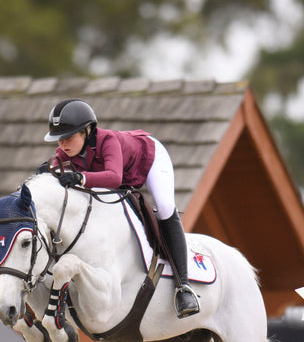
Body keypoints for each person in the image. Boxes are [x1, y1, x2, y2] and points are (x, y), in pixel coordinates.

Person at [39, 98, 200, 318]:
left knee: (163, 207)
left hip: (150, 159)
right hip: (123, 174)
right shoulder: (64, 154)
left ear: (87, 131)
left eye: (68, 137)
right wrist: (47, 174)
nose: (63, 145)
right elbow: (56, 171)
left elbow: (114, 178)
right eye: (59, 141)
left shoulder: (108, 140)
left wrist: (79, 177)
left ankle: (184, 286)